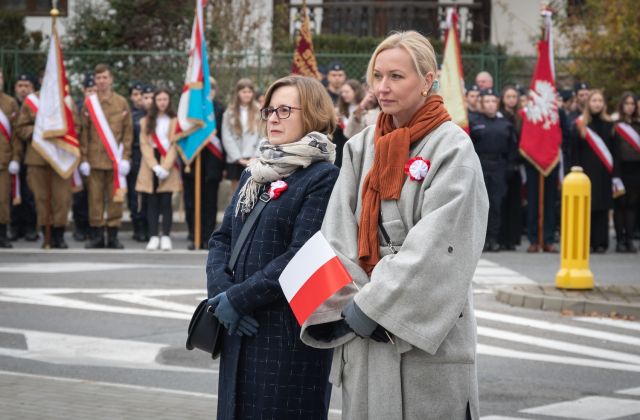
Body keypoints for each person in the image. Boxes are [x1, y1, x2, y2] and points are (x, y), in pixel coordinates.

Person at [301, 30, 488, 419]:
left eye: (396, 77)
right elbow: (337, 232)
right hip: (361, 317)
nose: (383, 87)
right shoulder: (360, 145)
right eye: (377, 75)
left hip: (420, 326)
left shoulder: (452, 146)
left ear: (428, 80)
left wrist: (372, 305)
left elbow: (442, 244)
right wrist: (357, 300)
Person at [206, 75, 339, 419]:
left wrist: (238, 299)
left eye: (285, 110)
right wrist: (222, 295)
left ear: (311, 114)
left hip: (286, 336)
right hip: (238, 326)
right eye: (269, 110)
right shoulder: (256, 170)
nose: (274, 118)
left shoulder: (323, 175)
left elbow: (302, 254)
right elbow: (222, 238)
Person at [11, 82, 79, 249]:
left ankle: (59, 234)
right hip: (37, 158)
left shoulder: (67, 101)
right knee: (41, 199)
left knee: (62, 199)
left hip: (61, 157)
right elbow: (20, 128)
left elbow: (77, 126)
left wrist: (62, 131)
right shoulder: (31, 101)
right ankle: (46, 234)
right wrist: (38, 130)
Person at [79, 63, 133, 249]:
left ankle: (113, 236)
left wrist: (125, 157)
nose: (101, 81)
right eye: (98, 78)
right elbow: (83, 133)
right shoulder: (89, 104)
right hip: (94, 161)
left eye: (105, 77)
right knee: (94, 200)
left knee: (115, 199)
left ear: (111, 79)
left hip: (115, 162)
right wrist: (83, 159)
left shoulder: (121, 102)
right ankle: (96, 236)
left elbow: (127, 133)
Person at [470, 88, 517, 252]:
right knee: (480, 204)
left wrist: (510, 166)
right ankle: (480, 241)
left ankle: (493, 238)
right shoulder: (474, 122)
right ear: (481, 104)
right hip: (481, 165)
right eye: (487, 101)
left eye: (493, 101)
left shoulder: (505, 124)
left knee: (495, 204)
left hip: (498, 167)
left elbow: (512, 147)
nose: (490, 105)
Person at [182, 77, 226, 250]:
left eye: (211, 89)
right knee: (191, 202)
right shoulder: (190, 111)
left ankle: (207, 236)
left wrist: (222, 167)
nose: (209, 92)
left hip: (212, 164)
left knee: (210, 202)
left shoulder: (220, 110)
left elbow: (222, 138)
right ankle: (194, 235)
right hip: (193, 162)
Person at [135, 89, 181, 251]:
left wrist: (166, 166)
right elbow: (144, 144)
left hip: (167, 161)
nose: (162, 102)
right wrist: (154, 166)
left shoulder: (175, 121)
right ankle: (154, 235)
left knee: (166, 201)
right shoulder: (146, 121)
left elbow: (175, 144)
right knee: (152, 202)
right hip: (150, 165)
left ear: (169, 101)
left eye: (165, 99)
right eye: (159, 99)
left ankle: (166, 236)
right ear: (154, 101)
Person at [569, 89, 614, 253]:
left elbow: (613, 152)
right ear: (589, 103)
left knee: (602, 207)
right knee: (586, 208)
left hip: (604, 173)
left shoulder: (610, 125)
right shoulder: (580, 125)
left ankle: (601, 242)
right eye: (594, 101)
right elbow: (574, 152)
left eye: (600, 101)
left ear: (604, 104)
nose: (597, 104)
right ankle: (586, 242)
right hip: (585, 173)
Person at [9, 73, 38, 242]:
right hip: (11, 156)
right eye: (20, 85)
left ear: (33, 88)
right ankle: (14, 227)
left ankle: (30, 227)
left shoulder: (36, 105)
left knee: (29, 194)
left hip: (30, 154)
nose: (23, 89)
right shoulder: (10, 105)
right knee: (12, 193)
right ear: (15, 88)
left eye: (27, 85)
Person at [221, 78, 260, 193]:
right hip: (236, 159)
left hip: (253, 157)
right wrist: (238, 158)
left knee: (252, 190)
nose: (247, 95)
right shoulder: (229, 112)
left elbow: (263, 136)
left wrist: (255, 155)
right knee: (236, 191)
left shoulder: (259, 110)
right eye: (244, 92)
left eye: (249, 92)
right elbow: (226, 136)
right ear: (238, 93)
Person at [612, 92, 640, 252]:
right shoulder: (615, 125)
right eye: (627, 103)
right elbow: (613, 150)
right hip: (620, 169)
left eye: (632, 104)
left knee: (632, 205)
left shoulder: (638, 124)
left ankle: (629, 239)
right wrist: (615, 174)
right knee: (620, 204)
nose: (629, 106)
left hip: (636, 169)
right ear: (622, 105)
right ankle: (620, 240)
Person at [498, 85, 524, 250]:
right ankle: (502, 238)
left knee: (515, 202)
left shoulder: (521, 117)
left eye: (514, 97)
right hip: (503, 163)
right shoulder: (500, 117)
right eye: (508, 96)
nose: (511, 100)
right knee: (502, 202)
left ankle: (512, 239)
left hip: (517, 164)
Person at [127, 81, 149, 242]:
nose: (139, 98)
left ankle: (148, 227)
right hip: (135, 156)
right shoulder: (129, 116)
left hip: (149, 158)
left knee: (148, 195)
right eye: (135, 94)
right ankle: (137, 227)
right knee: (134, 195)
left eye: (142, 95)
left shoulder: (152, 115)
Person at [0, 70, 19, 247]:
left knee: (2, 200)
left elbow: (16, 135)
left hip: (3, 160)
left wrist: (15, 157)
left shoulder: (10, 103)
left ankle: (2, 235)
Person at [334, 79, 364, 167]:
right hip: (342, 149)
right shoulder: (339, 110)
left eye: (347, 92)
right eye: (342, 92)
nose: (343, 95)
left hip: (359, 147)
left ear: (356, 91)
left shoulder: (364, 108)